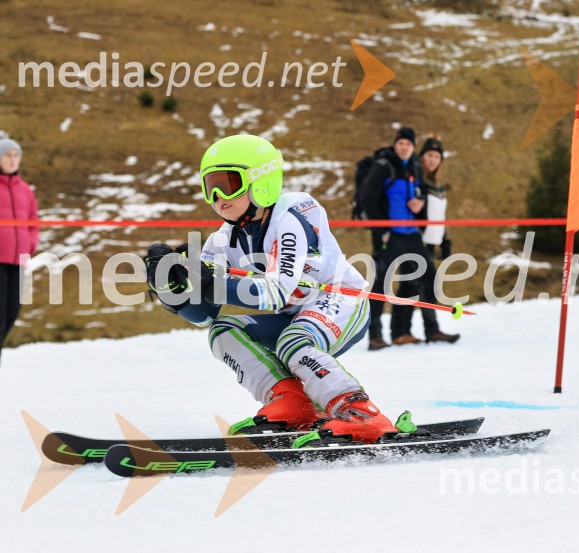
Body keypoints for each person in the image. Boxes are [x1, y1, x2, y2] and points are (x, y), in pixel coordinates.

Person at [144, 134, 398, 444]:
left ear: (261, 181)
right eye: (209, 186)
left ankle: (359, 411)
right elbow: (205, 316)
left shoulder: (289, 219)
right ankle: (292, 403)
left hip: (341, 300)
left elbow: (276, 293)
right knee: (223, 331)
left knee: (293, 341)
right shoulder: (222, 241)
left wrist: (213, 283)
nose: (218, 196)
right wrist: (176, 293)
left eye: (228, 183)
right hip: (295, 313)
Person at [360, 127, 458, 348]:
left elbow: (421, 190)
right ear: (396, 144)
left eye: (409, 144)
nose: (404, 147)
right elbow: (367, 197)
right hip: (388, 233)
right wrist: (382, 230)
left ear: (413, 147)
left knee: (428, 276)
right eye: (401, 142)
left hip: (411, 232)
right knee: (380, 283)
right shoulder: (383, 165)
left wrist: (420, 201)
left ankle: (430, 331)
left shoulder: (414, 166)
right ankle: (375, 336)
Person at [395, 135, 459, 344]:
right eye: (429, 155)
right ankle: (426, 331)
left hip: (431, 241)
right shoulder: (415, 181)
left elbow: (438, 215)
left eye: (436, 156)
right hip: (413, 240)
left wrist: (444, 239)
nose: (432, 160)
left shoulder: (436, 185)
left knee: (412, 286)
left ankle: (402, 332)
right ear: (421, 157)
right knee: (420, 284)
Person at [0, 138, 38, 363]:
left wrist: (30, 245)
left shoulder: (25, 190)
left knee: (11, 315)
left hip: (18, 261)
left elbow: (33, 223)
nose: (12, 160)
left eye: (16, 155)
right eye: (7, 155)